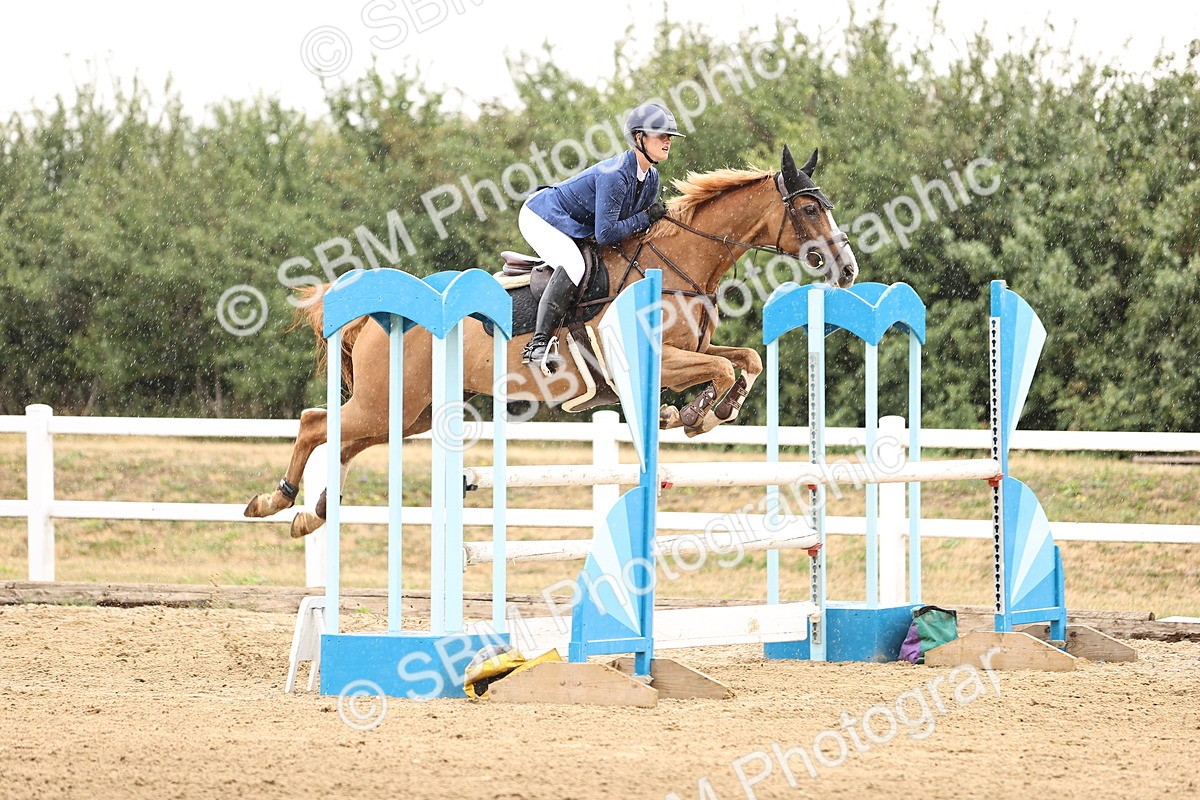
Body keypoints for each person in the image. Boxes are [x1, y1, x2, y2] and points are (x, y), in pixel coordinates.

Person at [517, 101, 685, 372]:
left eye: (669, 136)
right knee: (574, 264)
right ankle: (536, 346)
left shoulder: (651, 178)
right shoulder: (617, 175)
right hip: (542, 216)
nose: (667, 141)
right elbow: (606, 232)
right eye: (660, 134)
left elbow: (633, 231)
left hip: (575, 223)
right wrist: (645, 218)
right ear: (639, 138)